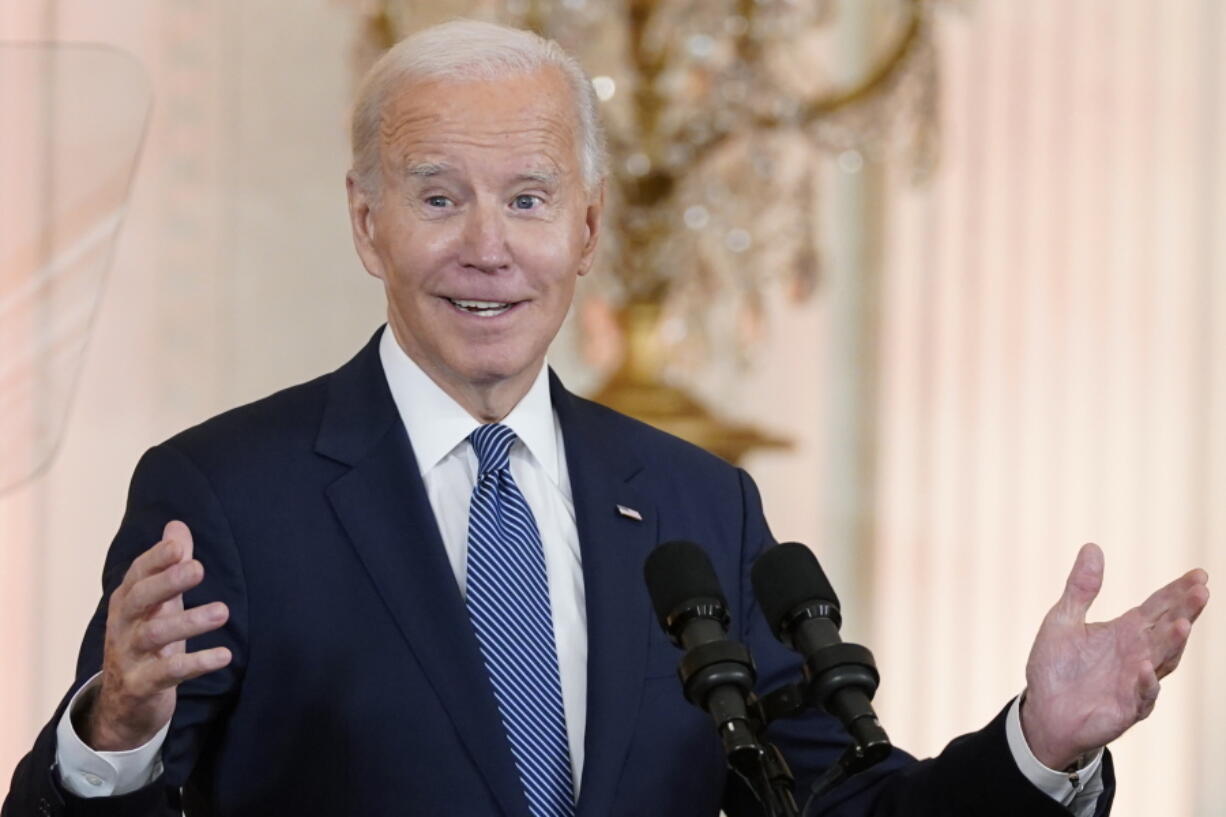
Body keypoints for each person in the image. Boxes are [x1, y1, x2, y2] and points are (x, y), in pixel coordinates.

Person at [3, 19, 1209, 817]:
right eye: (438, 197)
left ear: (584, 232)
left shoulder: (696, 504)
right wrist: (110, 735)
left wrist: (1036, 747)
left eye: (527, 198)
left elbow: (838, 802)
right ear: (367, 224)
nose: (487, 247)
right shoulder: (225, 496)